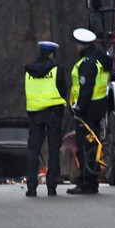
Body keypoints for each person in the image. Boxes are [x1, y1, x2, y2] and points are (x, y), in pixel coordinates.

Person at [68, 28, 109, 195]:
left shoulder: (87, 63)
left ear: (81, 45)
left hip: (87, 111)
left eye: (77, 44)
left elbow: (86, 89)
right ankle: (90, 180)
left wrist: (78, 109)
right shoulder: (98, 60)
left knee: (85, 146)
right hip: (97, 109)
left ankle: (87, 182)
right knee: (92, 145)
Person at [24, 40, 67, 197]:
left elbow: (28, 92)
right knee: (53, 149)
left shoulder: (29, 70)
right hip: (53, 113)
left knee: (33, 150)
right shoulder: (56, 69)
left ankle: (31, 187)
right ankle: (51, 186)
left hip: (35, 113)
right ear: (51, 54)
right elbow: (63, 91)